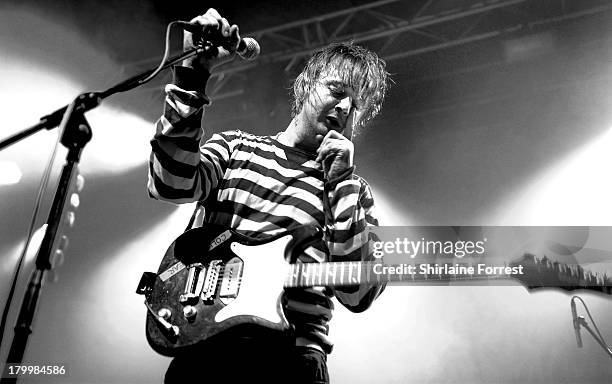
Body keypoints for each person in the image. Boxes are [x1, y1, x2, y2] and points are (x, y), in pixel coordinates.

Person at [147, 8, 390, 384]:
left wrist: (341, 183)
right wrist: (192, 75)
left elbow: (358, 294)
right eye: (338, 92)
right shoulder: (236, 147)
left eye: (356, 105)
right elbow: (170, 183)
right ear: (307, 85)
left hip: (291, 359)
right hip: (203, 344)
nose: (344, 107)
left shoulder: (356, 192)